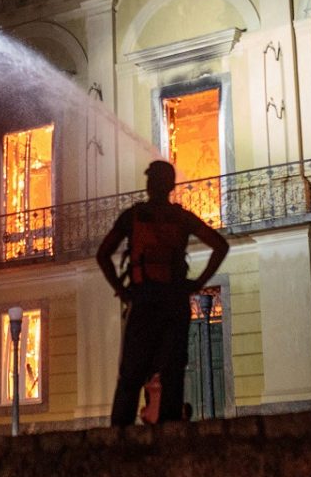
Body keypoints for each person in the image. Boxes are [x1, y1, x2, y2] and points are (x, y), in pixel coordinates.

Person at [97, 160, 228, 426]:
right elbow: (220, 245)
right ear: (171, 185)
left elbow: (103, 254)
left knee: (132, 372)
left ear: (153, 184)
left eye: (152, 179)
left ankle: (119, 433)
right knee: (172, 370)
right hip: (173, 299)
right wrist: (197, 282)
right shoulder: (181, 217)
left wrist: (121, 290)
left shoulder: (133, 217)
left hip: (144, 299)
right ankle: (170, 429)